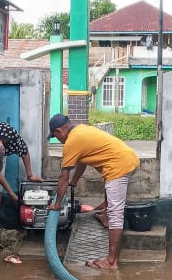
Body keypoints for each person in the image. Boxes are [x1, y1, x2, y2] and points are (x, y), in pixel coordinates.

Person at [47, 114, 139, 269]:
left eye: (55, 137)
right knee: (110, 190)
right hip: (128, 158)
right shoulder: (81, 130)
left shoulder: (71, 142)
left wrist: (57, 204)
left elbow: (63, 177)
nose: (58, 140)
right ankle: (105, 217)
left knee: (116, 212)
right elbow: (82, 161)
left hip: (119, 166)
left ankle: (111, 262)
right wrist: (75, 181)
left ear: (58, 131)